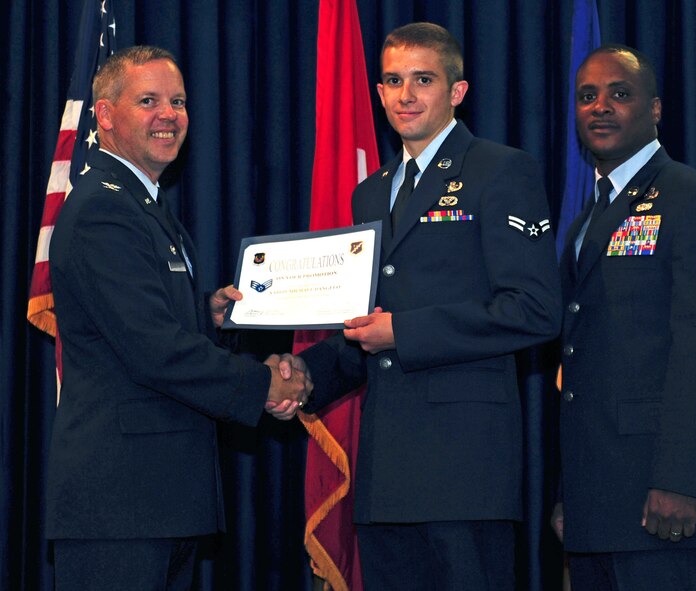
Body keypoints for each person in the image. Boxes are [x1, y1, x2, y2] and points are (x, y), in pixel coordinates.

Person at [293, 23, 562, 590]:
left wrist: (405, 332)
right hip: (385, 471)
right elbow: (364, 326)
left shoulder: (499, 170)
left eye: (423, 80)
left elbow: (535, 309)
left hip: (466, 470)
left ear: (457, 92)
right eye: (392, 80)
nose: (406, 95)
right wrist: (298, 379)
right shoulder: (372, 191)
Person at [46, 46, 309, 591]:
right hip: (120, 509)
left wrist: (202, 315)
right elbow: (154, 350)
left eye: (179, 101)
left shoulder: (145, 207)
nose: (169, 114)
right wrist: (263, 383)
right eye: (148, 101)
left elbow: (138, 327)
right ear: (104, 115)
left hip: (157, 502)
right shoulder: (104, 209)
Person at [552, 44, 696, 590]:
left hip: (667, 505)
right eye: (587, 96)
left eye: (620, 94)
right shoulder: (586, 221)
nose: (601, 107)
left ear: (656, 109)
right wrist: (573, 493)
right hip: (599, 507)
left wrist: (682, 481)